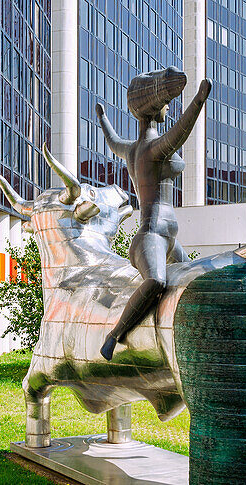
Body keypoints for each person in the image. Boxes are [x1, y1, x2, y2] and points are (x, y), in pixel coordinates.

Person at [95, 67, 211, 361]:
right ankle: (115, 335)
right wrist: (198, 101)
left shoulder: (132, 148)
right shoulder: (150, 149)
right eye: (165, 105)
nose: (168, 110)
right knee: (156, 282)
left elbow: (112, 141)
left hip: (169, 238)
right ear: (154, 108)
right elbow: (181, 130)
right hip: (152, 237)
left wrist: (103, 120)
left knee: (198, 280)